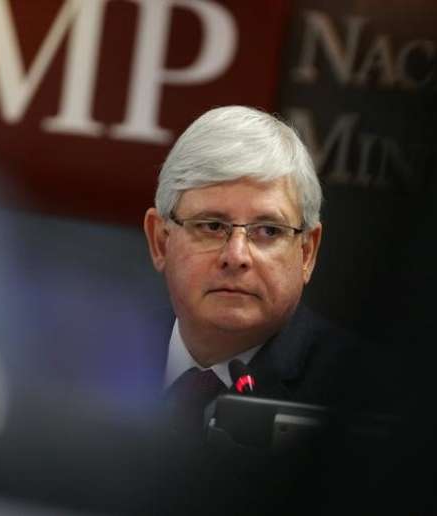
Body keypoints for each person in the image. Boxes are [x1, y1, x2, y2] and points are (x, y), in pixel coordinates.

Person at [143, 105, 368, 431]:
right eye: (211, 225)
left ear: (307, 252)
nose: (236, 256)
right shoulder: (86, 363)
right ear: (160, 241)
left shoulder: (368, 394)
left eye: (268, 231)